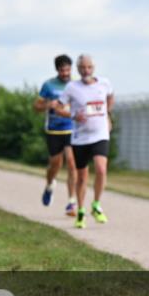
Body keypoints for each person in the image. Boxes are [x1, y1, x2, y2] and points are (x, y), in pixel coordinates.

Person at [55, 54, 114, 229]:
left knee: (101, 169)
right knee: (82, 176)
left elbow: (110, 96)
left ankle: (96, 204)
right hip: (80, 138)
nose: (86, 71)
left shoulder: (104, 83)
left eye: (89, 67)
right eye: (82, 68)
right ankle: (81, 211)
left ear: (93, 67)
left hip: (100, 134)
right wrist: (73, 115)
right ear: (78, 69)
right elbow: (58, 108)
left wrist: (108, 115)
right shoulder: (72, 87)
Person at [34, 54, 78, 216]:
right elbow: (36, 106)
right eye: (62, 70)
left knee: (72, 163)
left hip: (72, 129)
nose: (65, 73)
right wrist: (47, 104)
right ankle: (50, 184)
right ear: (57, 70)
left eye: (67, 70)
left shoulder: (76, 85)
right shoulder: (49, 85)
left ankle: (71, 202)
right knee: (55, 164)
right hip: (53, 130)